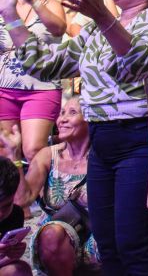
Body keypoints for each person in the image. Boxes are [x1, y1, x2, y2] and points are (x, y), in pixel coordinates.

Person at [0, 0, 148, 276]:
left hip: (140, 138)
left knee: (134, 245)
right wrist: (11, 17)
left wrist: (100, 13)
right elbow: (46, 64)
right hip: (102, 140)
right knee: (109, 246)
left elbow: (144, 64)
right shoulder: (96, 31)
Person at [0, 98, 97, 276]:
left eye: (72, 113)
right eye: (61, 113)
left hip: (98, 231)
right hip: (57, 237)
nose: (62, 119)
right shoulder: (48, 155)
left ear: (90, 119)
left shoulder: (104, 156)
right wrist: (15, 153)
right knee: (51, 235)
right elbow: (22, 199)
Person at [0, 0, 66, 164]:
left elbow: (59, 29)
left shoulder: (50, 4)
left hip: (41, 87)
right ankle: (13, 195)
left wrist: (32, 2)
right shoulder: (1, 6)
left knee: (33, 149)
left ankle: (39, 194)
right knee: (6, 150)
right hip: (4, 86)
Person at [0, 157, 31, 276]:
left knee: (20, 271)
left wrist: (12, 255)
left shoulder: (15, 215)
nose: (1, 214)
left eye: (6, 206)